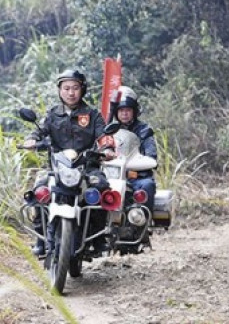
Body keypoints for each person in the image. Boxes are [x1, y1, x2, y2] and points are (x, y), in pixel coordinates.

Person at [23, 69, 115, 256]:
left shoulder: (92, 114)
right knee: (40, 190)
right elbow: (40, 131)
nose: (71, 93)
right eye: (66, 88)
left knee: (101, 187)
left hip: (87, 168)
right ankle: (41, 239)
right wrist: (32, 139)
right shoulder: (52, 114)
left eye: (75, 88)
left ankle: (98, 238)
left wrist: (107, 148)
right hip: (58, 168)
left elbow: (104, 135)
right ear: (59, 90)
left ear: (82, 90)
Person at [110, 86, 157, 211]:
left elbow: (151, 155)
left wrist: (146, 161)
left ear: (134, 111)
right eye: (121, 110)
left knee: (147, 185)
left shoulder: (144, 130)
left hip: (136, 176)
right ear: (116, 112)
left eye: (128, 110)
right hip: (112, 175)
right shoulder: (108, 129)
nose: (124, 113)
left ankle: (142, 219)